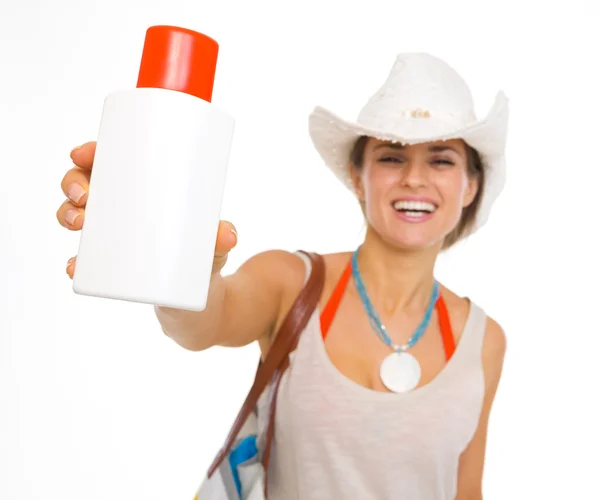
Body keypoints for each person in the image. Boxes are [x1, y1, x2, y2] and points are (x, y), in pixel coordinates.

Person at [57, 52, 508, 499]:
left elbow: (466, 492)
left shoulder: (483, 341)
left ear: (470, 185)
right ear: (357, 175)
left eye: (442, 160)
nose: (414, 178)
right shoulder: (292, 283)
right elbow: (200, 323)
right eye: (391, 157)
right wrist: (175, 264)